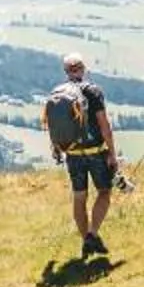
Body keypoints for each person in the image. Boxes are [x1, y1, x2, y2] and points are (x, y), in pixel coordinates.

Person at [44, 54, 120, 259]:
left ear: (66, 72)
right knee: (104, 192)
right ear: (83, 69)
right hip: (95, 151)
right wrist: (112, 153)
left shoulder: (57, 93)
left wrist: (57, 148)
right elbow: (104, 125)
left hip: (72, 153)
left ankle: (85, 238)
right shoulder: (93, 91)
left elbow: (53, 125)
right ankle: (92, 234)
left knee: (79, 197)